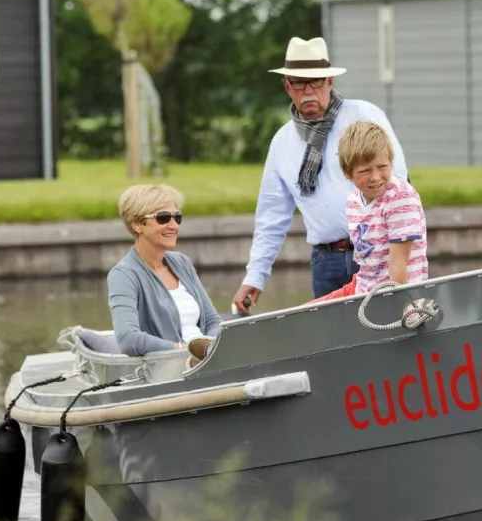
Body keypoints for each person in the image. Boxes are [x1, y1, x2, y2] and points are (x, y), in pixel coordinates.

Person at [234, 36, 408, 309]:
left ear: (330, 82)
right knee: (334, 344)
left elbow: (398, 183)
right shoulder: (282, 142)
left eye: (315, 82)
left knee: (390, 329)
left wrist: (399, 247)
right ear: (286, 87)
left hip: (379, 250)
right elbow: (271, 215)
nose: (308, 91)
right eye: (299, 83)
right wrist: (255, 275)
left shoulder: (365, 115)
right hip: (326, 261)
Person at [310, 121, 428, 301]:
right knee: (306, 312)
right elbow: (368, 262)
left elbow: (399, 265)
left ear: (390, 161)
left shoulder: (400, 198)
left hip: (396, 294)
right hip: (363, 289)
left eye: (382, 167)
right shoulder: (354, 200)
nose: (375, 177)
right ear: (347, 173)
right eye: (365, 171)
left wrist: (407, 307)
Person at [107, 184, 221, 359]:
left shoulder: (182, 262)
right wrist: (184, 349)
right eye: (163, 218)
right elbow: (127, 339)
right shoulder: (124, 275)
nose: (173, 225)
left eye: (177, 217)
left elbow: (213, 320)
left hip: (209, 357)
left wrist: (212, 346)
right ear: (137, 224)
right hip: (172, 364)